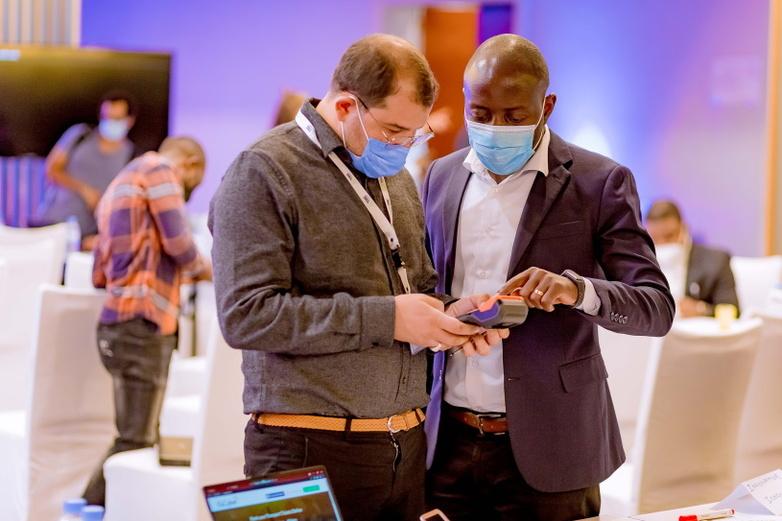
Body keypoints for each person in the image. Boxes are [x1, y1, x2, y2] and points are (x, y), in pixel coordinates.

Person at [209, 34, 506, 521]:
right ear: (346, 106)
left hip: (404, 448)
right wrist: (388, 319)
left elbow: (414, 290)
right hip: (304, 449)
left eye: (413, 135)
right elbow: (247, 316)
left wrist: (451, 316)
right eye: (393, 130)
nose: (402, 146)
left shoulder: (396, 177)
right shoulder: (264, 170)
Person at [422, 34, 675, 521]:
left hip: (554, 448)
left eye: (514, 116)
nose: (496, 128)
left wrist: (577, 290)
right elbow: (420, 287)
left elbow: (656, 307)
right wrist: (448, 311)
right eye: (481, 113)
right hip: (446, 445)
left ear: (547, 106)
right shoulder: (440, 177)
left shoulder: (599, 182)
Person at [82, 136, 212, 505]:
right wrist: (215, 272)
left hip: (115, 326)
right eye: (193, 185)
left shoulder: (119, 183)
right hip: (143, 324)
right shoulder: (160, 170)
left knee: (137, 436)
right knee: (135, 441)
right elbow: (180, 245)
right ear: (190, 164)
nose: (186, 192)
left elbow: (99, 275)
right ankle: (81, 510)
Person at [32, 91, 138, 249]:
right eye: (106, 117)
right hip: (51, 224)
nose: (110, 122)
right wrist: (84, 190)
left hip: (86, 236)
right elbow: (52, 169)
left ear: (129, 120)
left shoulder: (131, 156)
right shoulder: (80, 136)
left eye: (116, 118)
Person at [645, 199, 740, 317]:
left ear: (683, 228)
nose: (662, 243)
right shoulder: (638, 263)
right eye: (654, 238)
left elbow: (732, 310)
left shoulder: (716, 261)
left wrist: (701, 309)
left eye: (669, 236)